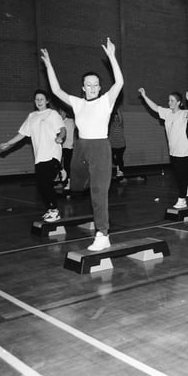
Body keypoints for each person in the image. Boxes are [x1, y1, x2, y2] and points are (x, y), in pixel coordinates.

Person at [40, 37, 124, 251]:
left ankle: (102, 234)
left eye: (96, 85)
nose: (93, 88)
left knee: (98, 192)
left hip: (100, 149)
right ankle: (72, 177)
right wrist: (49, 66)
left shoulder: (106, 101)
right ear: (83, 88)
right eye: (89, 85)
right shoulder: (77, 103)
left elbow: (119, 83)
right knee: (76, 185)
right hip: (81, 147)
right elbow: (57, 91)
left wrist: (112, 57)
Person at [0, 89, 66, 222]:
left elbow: (63, 129)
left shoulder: (52, 114)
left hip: (52, 152)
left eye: (41, 99)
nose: (39, 101)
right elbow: (22, 134)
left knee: (46, 183)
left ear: (47, 101)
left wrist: (60, 137)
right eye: (36, 99)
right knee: (41, 185)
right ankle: (50, 209)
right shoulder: (32, 116)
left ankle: (54, 210)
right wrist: (8, 143)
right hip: (39, 156)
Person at [138, 88, 188, 208]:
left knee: (180, 178)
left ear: (179, 102)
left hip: (184, 151)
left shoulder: (182, 113)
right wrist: (144, 96)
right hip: (173, 151)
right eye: (169, 100)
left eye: (172, 100)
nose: (169, 103)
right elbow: (154, 107)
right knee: (179, 175)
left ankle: (182, 199)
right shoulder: (167, 113)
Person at [59, 107, 76, 191]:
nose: (61, 114)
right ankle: (61, 179)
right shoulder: (58, 123)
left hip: (69, 146)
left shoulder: (71, 121)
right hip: (61, 147)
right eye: (60, 112)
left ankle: (68, 182)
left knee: (67, 165)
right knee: (57, 164)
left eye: (63, 112)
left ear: (66, 113)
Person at [109, 106, 126, 178]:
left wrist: (117, 108)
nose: (116, 118)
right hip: (113, 145)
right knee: (112, 159)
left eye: (117, 117)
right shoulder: (111, 125)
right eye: (115, 117)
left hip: (121, 145)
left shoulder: (120, 124)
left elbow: (121, 118)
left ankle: (121, 172)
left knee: (119, 158)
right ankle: (118, 166)